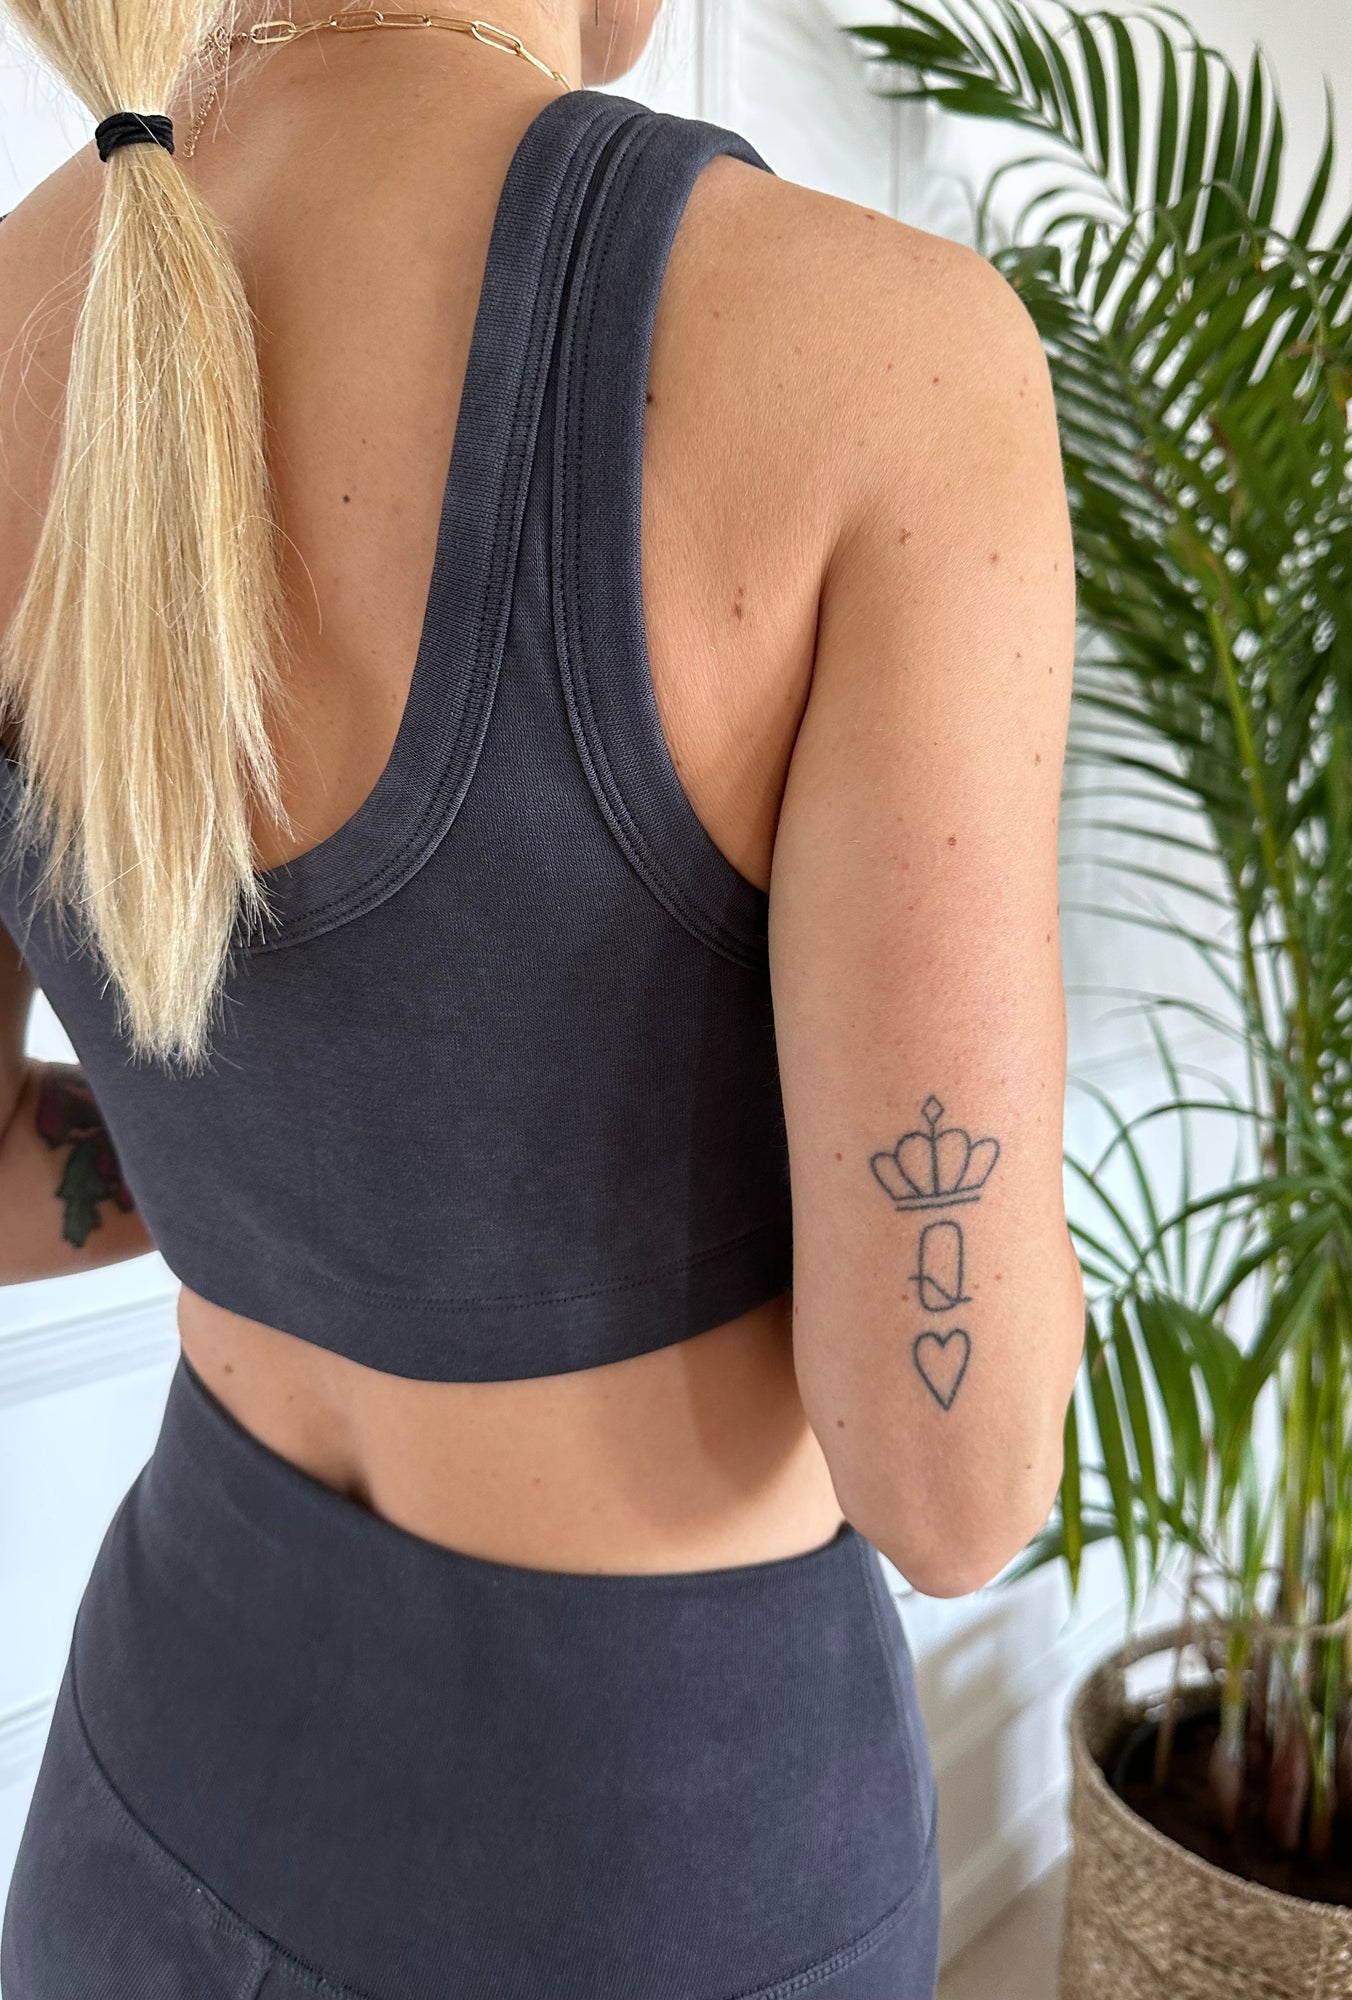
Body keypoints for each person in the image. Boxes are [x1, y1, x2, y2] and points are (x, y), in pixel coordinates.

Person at [0, 2, 1085, 1995]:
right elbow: (954, 1485)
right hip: (652, 1863)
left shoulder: (26, 305)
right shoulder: (877, 362)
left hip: (152, 1793)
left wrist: (290, 1169)